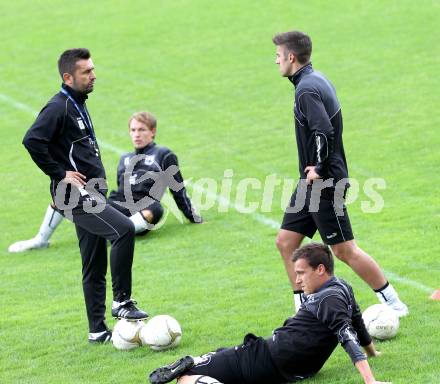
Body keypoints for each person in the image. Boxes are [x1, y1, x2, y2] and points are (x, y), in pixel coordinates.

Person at [272, 31, 408, 316]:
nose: (276, 61)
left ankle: (393, 303)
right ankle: (305, 308)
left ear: (291, 57)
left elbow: (324, 130)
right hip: (310, 183)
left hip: (324, 182)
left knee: (344, 250)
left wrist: (319, 169)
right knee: (285, 242)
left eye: (278, 55)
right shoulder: (314, 79)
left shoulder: (306, 89)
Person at [22, 48, 148, 343]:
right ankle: (122, 302)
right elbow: (32, 140)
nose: (93, 75)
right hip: (75, 196)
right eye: (86, 72)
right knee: (124, 230)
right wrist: (59, 172)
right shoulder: (58, 107)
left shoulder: (76, 102)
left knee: (93, 263)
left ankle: (97, 330)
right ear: (68, 77)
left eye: (92, 69)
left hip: (90, 193)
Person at [148, 243, 391, 384]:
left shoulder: (327, 298)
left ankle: (198, 364)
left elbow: (346, 334)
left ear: (320, 269)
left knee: (186, 378)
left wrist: (370, 381)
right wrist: (373, 352)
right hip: (286, 363)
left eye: (301, 273)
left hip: (268, 357)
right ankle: (201, 360)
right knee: (215, 358)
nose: (297, 279)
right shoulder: (341, 287)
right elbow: (356, 320)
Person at [10, 111, 201, 252]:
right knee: (64, 193)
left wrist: (193, 217)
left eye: (142, 130)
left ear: (153, 132)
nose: (136, 134)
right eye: (133, 130)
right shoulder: (124, 158)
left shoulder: (164, 154)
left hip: (145, 206)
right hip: (119, 205)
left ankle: (117, 234)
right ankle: (40, 240)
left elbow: (178, 188)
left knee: (156, 209)